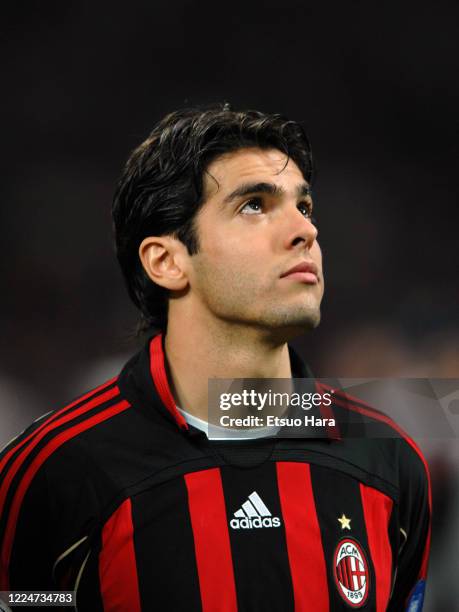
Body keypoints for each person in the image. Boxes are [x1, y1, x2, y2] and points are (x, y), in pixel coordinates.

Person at [0, 106, 431, 611]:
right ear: (167, 261)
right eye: (254, 205)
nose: (306, 232)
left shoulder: (389, 463)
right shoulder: (52, 472)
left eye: (305, 207)